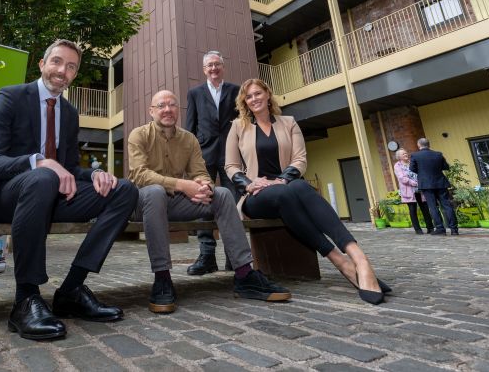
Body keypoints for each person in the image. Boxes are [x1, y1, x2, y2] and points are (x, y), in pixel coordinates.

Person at [0, 39, 139, 341]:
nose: (62, 71)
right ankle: (25, 298)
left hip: (50, 195)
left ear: (74, 75)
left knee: (125, 189)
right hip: (6, 196)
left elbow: (69, 169)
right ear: (42, 64)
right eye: (56, 62)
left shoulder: (69, 113)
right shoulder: (11, 97)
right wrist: (40, 163)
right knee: (44, 178)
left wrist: (97, 174)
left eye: (71, 67)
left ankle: (71, 290)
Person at [225, 79, 390, 305]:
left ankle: (357, 259)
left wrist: (281, 180)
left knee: (298, 186)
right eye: (248, 96)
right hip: (256, 196)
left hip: (286, 187)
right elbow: (231, 165)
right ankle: (342, 261)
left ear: (267, 94)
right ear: (244, 102)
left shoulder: (288, 122)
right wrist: (249, 183)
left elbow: (300, 159)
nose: (254, 99)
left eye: (257, 93)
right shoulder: (238, 126)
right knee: (291, 191)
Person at [128, 89, 291, 314]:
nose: (167, 109)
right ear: (151, 111)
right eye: (161, 105)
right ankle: (162, 278)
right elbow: (139, 175)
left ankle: (245, 275)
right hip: (143, 204)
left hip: (175, 203)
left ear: (178, 110)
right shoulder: (139, 135)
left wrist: (203, 186)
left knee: (222, 194)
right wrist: (183, 185)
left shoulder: (189, 139)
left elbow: (200, 172)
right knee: (155, 191)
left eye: (172, 105)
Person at [184, 51, 240, 275]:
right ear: (204, 69)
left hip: (230, 153)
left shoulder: (236, 90)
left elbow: (242, 121)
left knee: (233, 203)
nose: (213, 68)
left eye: (217, 64)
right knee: (202, 201)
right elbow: (190, 126)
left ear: (222, 67)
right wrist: (189, 155)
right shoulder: (195, 93)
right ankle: (206, 256)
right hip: (203, 154)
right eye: (209, 65)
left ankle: (233, 256)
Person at [409, 138, 458, 236]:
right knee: (447, 205)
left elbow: (412, 169)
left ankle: (440, 229)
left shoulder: (415, 155)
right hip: (440, 183)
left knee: (433, 207)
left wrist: (422, 172)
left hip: (426, 184)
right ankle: (454, 230)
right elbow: (446, 167)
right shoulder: (438, 154)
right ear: (429, 144)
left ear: (419, 145)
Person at [393, 148, 433, 234]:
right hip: (409, 190)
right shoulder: (397, 166)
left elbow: (421, 172)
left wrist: (421, 181)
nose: (406, 154)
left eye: (406, 153)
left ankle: (430, 228)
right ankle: (418, 229)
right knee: (412, 210)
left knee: (425, 208)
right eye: (403, 154)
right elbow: (402, 178)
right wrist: (414, 183)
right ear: (399, 157)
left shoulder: (412, 162)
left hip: (420, 189)